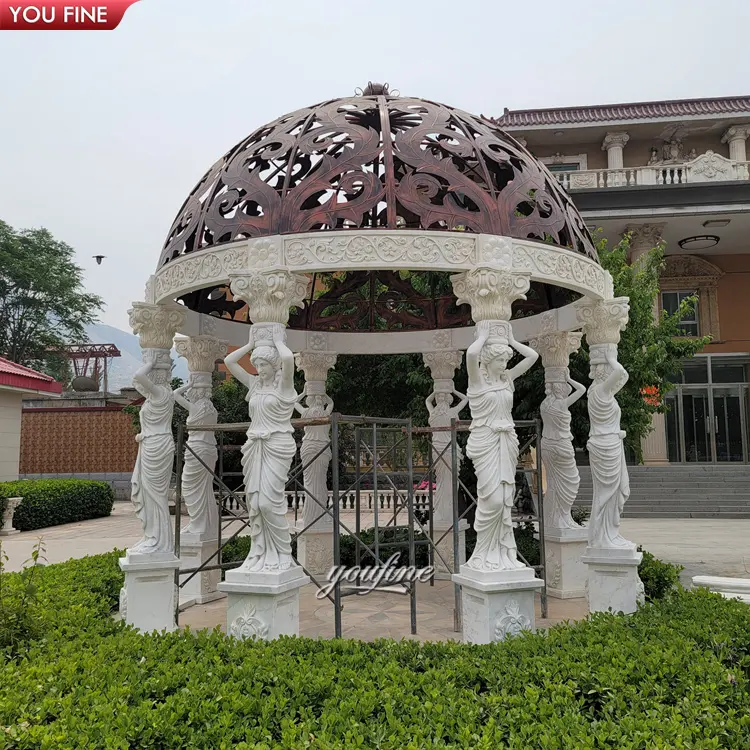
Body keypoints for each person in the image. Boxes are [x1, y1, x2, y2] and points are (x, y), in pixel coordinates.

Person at [464, 324, 538, 571]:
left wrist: (512, 340)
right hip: (485, 442)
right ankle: (482, 553)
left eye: (506, 360)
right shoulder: (477, 383)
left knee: (505, 499)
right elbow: (471, 355)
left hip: (506, 441)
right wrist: (483, 336)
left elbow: (533, 357)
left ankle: (501, 555)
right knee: (492, 499)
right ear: (489, 360)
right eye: (500, 360)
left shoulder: (507, 380)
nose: (504, 364)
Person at [224, 327, 298, 572]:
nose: (259, 368)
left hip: (277, 445)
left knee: (269, 502)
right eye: (257, 363)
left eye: (264, 364)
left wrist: (277, 341)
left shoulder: (284, 386)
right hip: (254, 447)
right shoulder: (254, 385)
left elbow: (288, 360)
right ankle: (260, 552)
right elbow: (229, 361)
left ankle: (283, 552)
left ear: (274, 365)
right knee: (255, 502)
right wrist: (249, 345)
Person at [587, 344, 635, 550]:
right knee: (607, 493)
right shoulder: (600, 391)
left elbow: (621, 378)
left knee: (612, 493)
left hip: (609, 442)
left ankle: (609, 534)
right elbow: (621, 373)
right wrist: (612, 358)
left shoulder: (599, 392)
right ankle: (602, 537)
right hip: (605, 446)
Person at [130, 351, 175, 554]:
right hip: (151, 443)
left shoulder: (162, 393)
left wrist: (149, 363)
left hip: (158, 446)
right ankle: (152, 536)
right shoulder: (154, 396)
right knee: (150, 495)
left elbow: (139, 377)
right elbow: (137, 382)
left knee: (155, 495)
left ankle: (159, 541)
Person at [173, 377, 219, 539]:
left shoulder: (196, 408)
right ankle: (208, 524)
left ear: (196, 391)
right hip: (209, 450)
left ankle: (197, 524)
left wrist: (188, 384)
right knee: (205, 490)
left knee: (189, 487)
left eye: (193, 391)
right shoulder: (212, 410)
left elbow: (175, 394)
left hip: (197, 450)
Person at [540, 375, 586, 530]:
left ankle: (551, 519)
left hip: (546, 444)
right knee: (572, 481)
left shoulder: (545, 404)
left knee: (553, 483)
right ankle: (562, 518)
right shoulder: (562, 404)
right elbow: (581, 389)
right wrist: (569, 378)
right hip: (561, 445)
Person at [425, 388, 468, 525]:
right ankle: (446, 512)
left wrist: (436, 391)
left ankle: (442, 512)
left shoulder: (433, 413)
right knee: (449, 481)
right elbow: (466, 399)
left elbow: (427, 400)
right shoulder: (452, 412)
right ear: (448, 400)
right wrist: (454, 390)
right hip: (448, 450)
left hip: (437, 450)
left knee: (442, 481)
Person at [294, 388, 334, 528]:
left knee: (312, 482)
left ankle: (314, 513)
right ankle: (317, 513)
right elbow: (331, 403)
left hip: (311, 447)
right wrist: (323, 394)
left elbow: (293, 402)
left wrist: (304, 393)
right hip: (320, 448)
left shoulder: (307, 412)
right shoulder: (325, 413)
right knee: (318, 482)